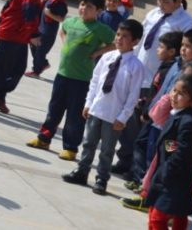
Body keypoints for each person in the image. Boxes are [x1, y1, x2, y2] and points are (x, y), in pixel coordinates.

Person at [115, 0, 192, 173]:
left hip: (157, 81)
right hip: (137, 72)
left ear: (179, 1)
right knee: (126, 121)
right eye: (159, 0)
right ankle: (124, 159)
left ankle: (138, 167)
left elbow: (184, 54)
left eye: (166, 1)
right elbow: (141, 40)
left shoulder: (186, 23)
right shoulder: (153, 14)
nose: (161, 4)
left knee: (143, 124)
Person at [26, 0, 115, 160]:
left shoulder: (100, 29)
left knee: (75, 114)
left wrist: (98, 52)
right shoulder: (71, 21)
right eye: (82, 5)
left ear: (99, 11)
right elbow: (63, 30)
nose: (84, 9)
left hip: (81, 80)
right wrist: (66, 42)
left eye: (89, 7)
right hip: (62, 74)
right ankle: (44, 138)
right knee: (54, 109)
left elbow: (115, 43)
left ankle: (71, 147)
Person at [61, 19, 146, 195]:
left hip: (114, 115)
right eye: (118, 35)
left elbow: (133, 96)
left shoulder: (135, 67)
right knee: (88, 143)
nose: (119, 39)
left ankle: (101, 179)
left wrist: (123, 117)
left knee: (107, 150)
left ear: (135, 41)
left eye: (125, 37)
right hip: (97, 109)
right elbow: (95, 81)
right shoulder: (107, 57)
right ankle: (82, 171)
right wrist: (88, 103)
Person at [117, 31, 182, 193]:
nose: (158, 50)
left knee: (155, 152)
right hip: (154, 114)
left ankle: (146, 185)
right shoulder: (171, 66)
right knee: (141, 144)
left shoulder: (177, 69)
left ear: (172, 51)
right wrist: (147, 105)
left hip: (161, 120)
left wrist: (150, 112)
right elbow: (158, 92)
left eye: (161, 47)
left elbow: (165, 95)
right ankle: (140, 179)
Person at [145, 74, 192, 230]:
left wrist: (166, 171)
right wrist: (171, 146)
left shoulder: (188, 122)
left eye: (181, 94)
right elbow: (175, 145)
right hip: (168, 176)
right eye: (174, 90)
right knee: (176, 217)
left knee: (157, 220)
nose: (174, 95)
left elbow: (183, 153)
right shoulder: (177, 115)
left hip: (174, 179)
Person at [25, 0, 68, 78]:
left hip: (48, 32)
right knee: (32, 43)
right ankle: (43, 63)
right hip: (40, 28)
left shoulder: (61, 4)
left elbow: (61, 19)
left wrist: (49, 14)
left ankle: (36, 71)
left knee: (40, 51)